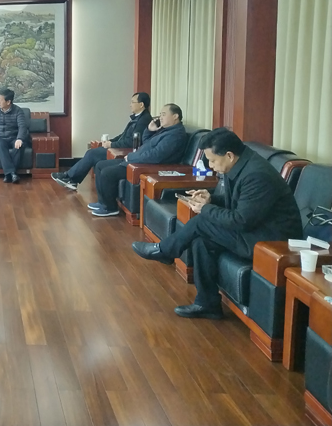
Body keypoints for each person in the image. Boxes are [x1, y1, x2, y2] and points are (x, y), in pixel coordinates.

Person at [131, 128, 302, 319]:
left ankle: (165, 250)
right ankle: (207, 303)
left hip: (271, 242)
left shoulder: (257, 175)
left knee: (202, 222)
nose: (211, 166)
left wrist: (206, 209)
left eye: (212, 160)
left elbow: (241, 220)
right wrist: (211, 199)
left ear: (229, 155)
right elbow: (238, 205)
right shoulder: (239, 165)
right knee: (201, 241)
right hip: (254, 230)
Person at [89, 103, 188, 217]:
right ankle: (103, 203)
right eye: (160, 114)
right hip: (138, 160)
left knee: (108, 173)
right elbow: (146, 143)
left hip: (147, 166)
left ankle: (110, 208)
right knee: (100, 165)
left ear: (175, 116)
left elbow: (155, 156)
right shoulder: (165, 130)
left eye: (164, 114)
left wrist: (131, 157)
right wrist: (149, 130)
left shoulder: (175, 135)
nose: (160, 117)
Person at [52, 92, 152, 190]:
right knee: (92, 152)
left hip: (126, 151)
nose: (130, 105)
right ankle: (71, 179)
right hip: (120, 148)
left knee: (92, 154)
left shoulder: (144, 120)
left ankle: (69, 178)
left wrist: (112, 144)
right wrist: (110, 142)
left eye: (132, 102)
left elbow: (132, 142)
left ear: (141, 104)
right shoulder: (137, 118)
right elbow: (123, 136)